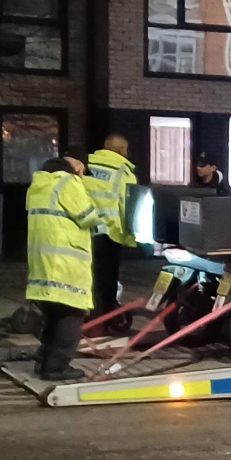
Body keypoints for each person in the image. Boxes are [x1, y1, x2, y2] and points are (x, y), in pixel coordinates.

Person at [26, 156, 99, 380]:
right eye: (82, 170)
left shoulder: (37, 186)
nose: (83, 175)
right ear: (73, 168)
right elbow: (88, 217)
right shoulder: (69, 183)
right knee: (70, 320)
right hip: (67, 265)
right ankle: (57, 368)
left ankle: (43, 362)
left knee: (52, 318)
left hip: (42, 264)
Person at [84, 134, 138, 322]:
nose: (127, 153)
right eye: (126, 149)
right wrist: (131, 235)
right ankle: (105, 313)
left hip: (84, 229)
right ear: (120, 150)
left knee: (87, 272)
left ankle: (87, 309)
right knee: (106, 275)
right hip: (110, 233)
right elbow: (128, 206)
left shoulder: (86, 166)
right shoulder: (123, 173)